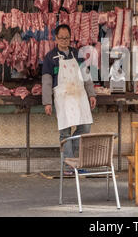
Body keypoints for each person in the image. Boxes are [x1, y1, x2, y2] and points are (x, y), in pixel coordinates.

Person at [42, 24, 97, 176]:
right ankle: (68, 166)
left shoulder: (77, 54)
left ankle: (76, 163)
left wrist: (91, 94)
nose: (64, 40)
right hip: (63, 98)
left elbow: (86, 75)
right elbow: (46, 81)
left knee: (85, 128)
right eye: (61, 38)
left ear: (70, 37)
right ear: (56, 38)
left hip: (80, 95)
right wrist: (47, 102)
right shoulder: (50, 57)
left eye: (67, 38)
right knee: (65, 132)